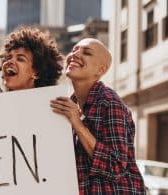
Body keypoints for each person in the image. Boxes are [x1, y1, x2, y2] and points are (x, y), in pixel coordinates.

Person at [50, 38, 145, 194]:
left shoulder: (109, 102)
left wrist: (78, 125)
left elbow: (116, 167)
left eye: (86, 52)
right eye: (74, 50)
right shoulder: (69, 106)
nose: (75, 55)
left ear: (100, 70)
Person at [0, 26, 63, 91]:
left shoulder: (50, 102)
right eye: (8, 58)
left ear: (36, 73)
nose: (9, 61)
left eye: (20, 59)